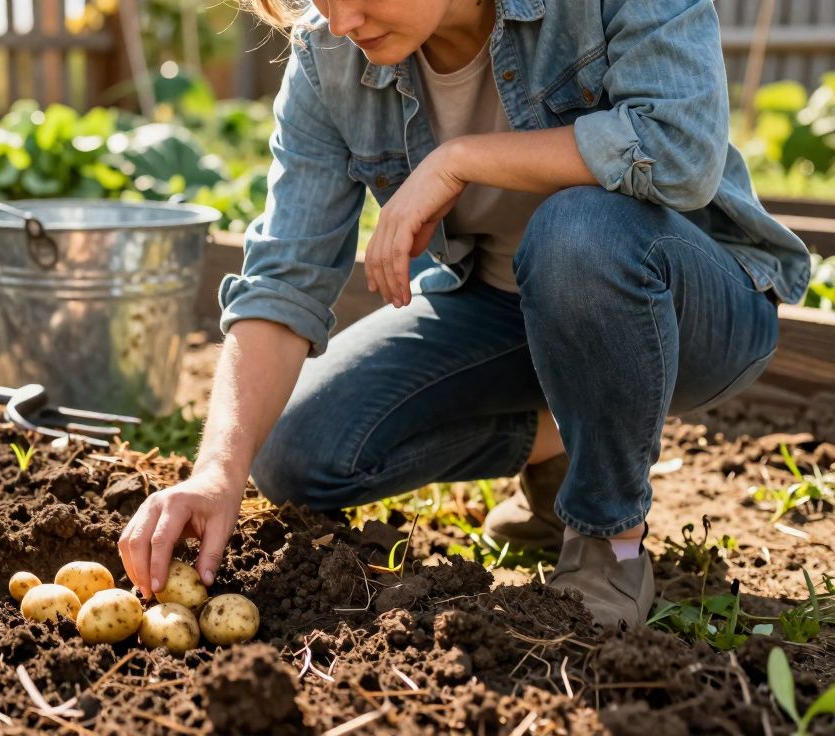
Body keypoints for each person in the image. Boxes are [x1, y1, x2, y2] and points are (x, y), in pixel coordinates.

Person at [117, 0, 809, 627]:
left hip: (698, 308)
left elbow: (680, 150)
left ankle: (607, 537)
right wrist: (215, 471)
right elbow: (283, 279)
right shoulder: (328, 52)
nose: (344, 19)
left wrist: (461, 161)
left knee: (577, 231)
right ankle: (569, 440)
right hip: (506, 309)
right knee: (294, 453)